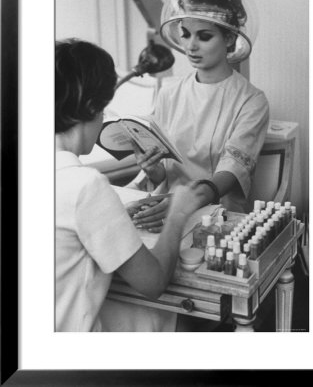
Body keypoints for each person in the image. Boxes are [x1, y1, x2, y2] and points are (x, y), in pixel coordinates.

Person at [55, 38, 203, 331]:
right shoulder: (85, 185)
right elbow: (154, 282)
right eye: (104, 110)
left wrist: (121, 207)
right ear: (91, 107)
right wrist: (178, 214)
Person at [129, 0, 270, 233]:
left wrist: (185, 203)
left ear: (229, 38)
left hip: (219, 218)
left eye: (204, 36)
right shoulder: (169, 94)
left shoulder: (252, 101)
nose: (191, 45)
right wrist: (152, 168)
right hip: (165, 210)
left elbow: (231, 171)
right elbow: (166, 171)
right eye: (185, 34)